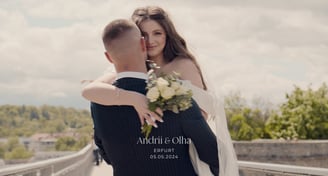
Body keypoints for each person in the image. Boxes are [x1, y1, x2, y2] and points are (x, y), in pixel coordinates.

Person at [82, 6, 239, 176]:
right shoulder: (122, 73)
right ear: (139, 40)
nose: (150, 41)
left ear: (167, 34)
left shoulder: (183, 66)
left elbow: (199, 119)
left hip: (187, 152)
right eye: (144, 34)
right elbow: (89, 91)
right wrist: (135, 99)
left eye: (157, 33)